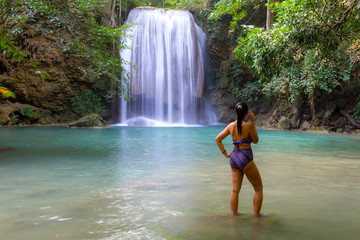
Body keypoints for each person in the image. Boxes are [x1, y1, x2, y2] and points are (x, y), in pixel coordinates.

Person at [215, 101, 264, 218]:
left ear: (235, 112)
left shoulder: (230, 126)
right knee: (258, 189)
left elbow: (218, 139)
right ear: (247, 113)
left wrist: (226, 154)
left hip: (234, 157)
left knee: (235, 190)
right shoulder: (248, 126)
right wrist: (252, 121)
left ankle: (234, 215)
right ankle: (257, 217)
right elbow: (256, 140)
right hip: (245, 157)